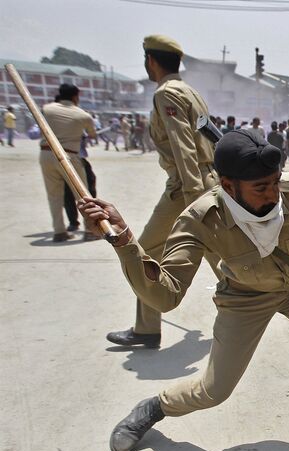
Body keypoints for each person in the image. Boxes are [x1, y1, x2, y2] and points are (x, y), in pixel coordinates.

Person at [78, 129, 289, 451]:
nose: (274, 193)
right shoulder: (199, 219)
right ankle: (155, 407)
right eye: (261, 187)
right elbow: (165, 296)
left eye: (275, 182)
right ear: (228, 186)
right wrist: (124, 242)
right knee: (214, 390)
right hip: (245, 296)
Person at [105, 34, 219, 348]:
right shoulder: (191, 92)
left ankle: (146, 328)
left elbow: (184, 148)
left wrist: (195, 199)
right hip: (209, 179)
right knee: (218, 250)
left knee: (147, 249)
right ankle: (249, 308)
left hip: (186, 185)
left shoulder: (166, 94)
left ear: (151, 61)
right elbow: (209, 136)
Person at [38, 84, 96, 242]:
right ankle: (90, 230)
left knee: (54, 195)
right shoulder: (83, 115)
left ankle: (59, 231)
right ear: (76, 96)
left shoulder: (46, 109)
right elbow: (92, 135)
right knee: (83, 196)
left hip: (46, 154)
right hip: (68, 156)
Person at [63, 132, 99, 240]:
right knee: (87, 192)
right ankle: (90, 229)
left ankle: (73, 223)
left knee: (68, 192)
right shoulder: (77, 118)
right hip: (75, 158)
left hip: (62, 159)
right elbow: (92, 134)